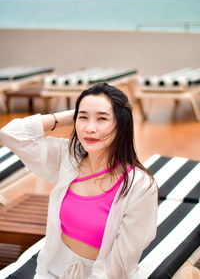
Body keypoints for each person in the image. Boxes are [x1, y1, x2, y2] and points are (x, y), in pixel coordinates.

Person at [0, 82, 158, 279]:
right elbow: (11, 134)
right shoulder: (68, 158)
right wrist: (68, 117)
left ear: (122, 124)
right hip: (53, 268)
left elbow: (119, 265)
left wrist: (85, 114)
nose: (89, 128)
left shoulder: (139, 186)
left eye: (102, 118)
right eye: (83, 117)